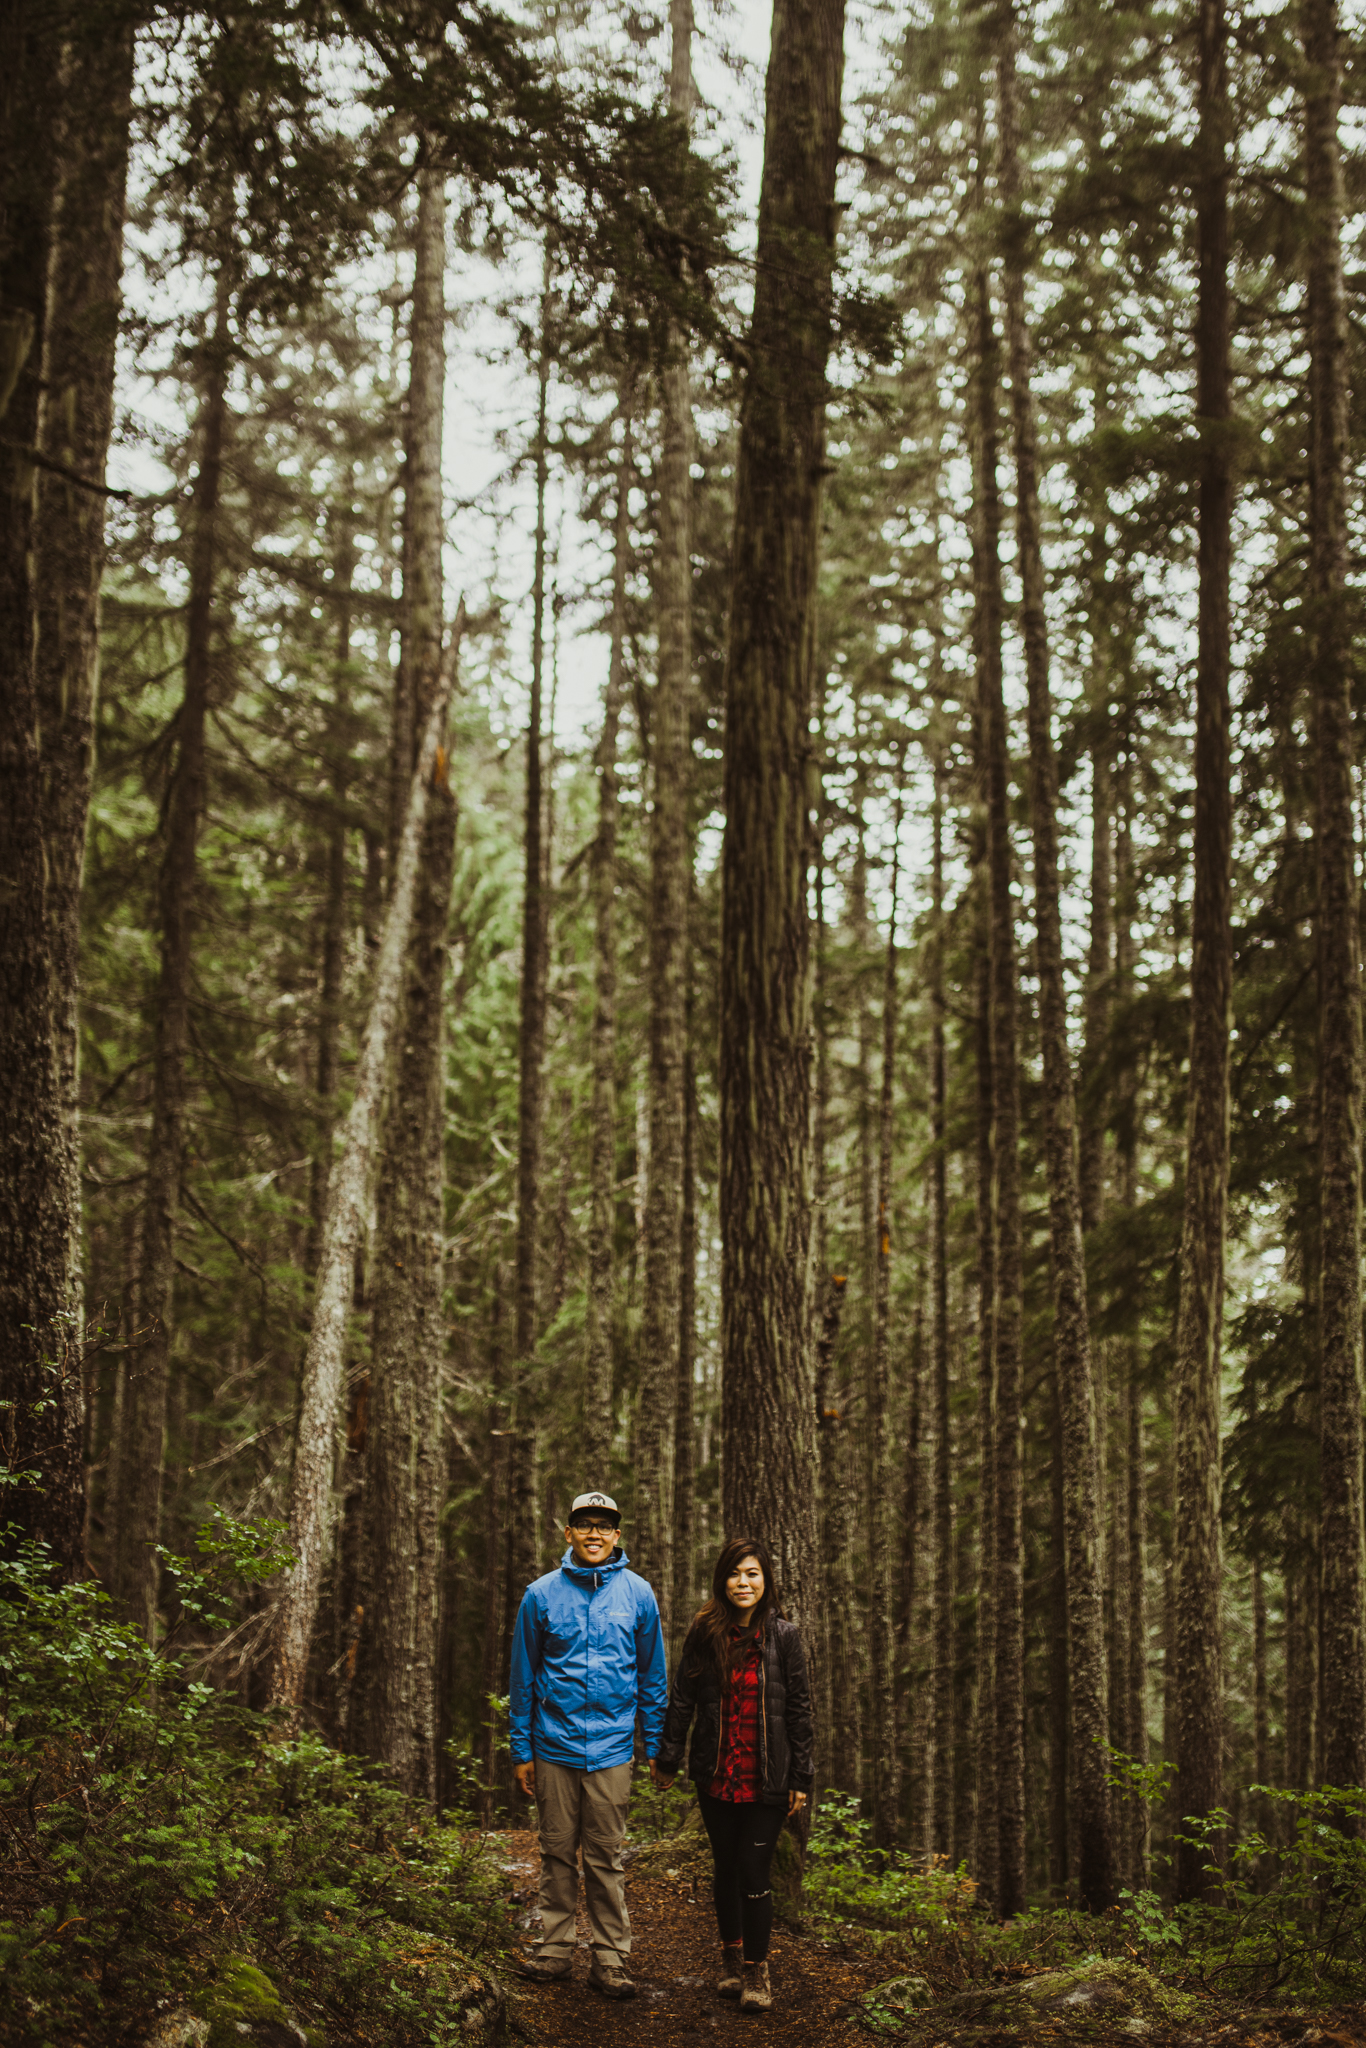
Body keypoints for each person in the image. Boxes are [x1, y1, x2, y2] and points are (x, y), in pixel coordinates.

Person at [509, 1489, 668, 2000]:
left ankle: (610, 1957)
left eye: (604, 1525)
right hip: (552, 1745)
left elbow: (652, 1677)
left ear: (617, 1535)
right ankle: (555, 1949)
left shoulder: (639, 1594)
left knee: (605, 1855)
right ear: (569, 1533)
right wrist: (522, 1750)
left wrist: (655, 1745)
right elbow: (523, 1678)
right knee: (556, 1851)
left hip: (612, 1748)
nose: (595, 1533)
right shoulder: (540, 1595)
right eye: (585, 1524)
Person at [654, 1535, 814, 2015]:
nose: (743, 1583)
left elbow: (801, 1711)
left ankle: (756, 1970)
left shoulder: (783, 1636)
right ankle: (729, 1958)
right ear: (722, 1580)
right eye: (734, 1574)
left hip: (769, 1777)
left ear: (766, 1582)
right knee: (725, 1867)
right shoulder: (706, 1631)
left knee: (753, 1869)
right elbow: (682, 1695)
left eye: (752, 1574)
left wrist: (802, 1777)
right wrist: (668, 1755)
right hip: (716, 1771)